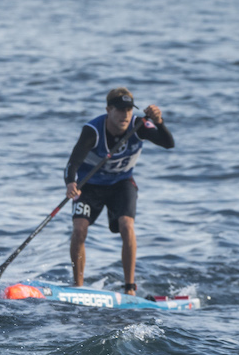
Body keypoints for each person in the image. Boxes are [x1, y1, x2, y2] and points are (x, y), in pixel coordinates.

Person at [64, 88, 174, 295]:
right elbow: (73, 163)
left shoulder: (140, 125)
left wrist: (159, 122)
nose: (125, 115)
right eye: (120, 110)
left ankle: (129, 288)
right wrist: (70, 183)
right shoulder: (93, 130)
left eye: (129, 110)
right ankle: (77, 287)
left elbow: (168, 144)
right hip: (90, 185)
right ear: (108, 109)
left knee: (126, 225)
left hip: (121, 184)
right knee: (79, 229)